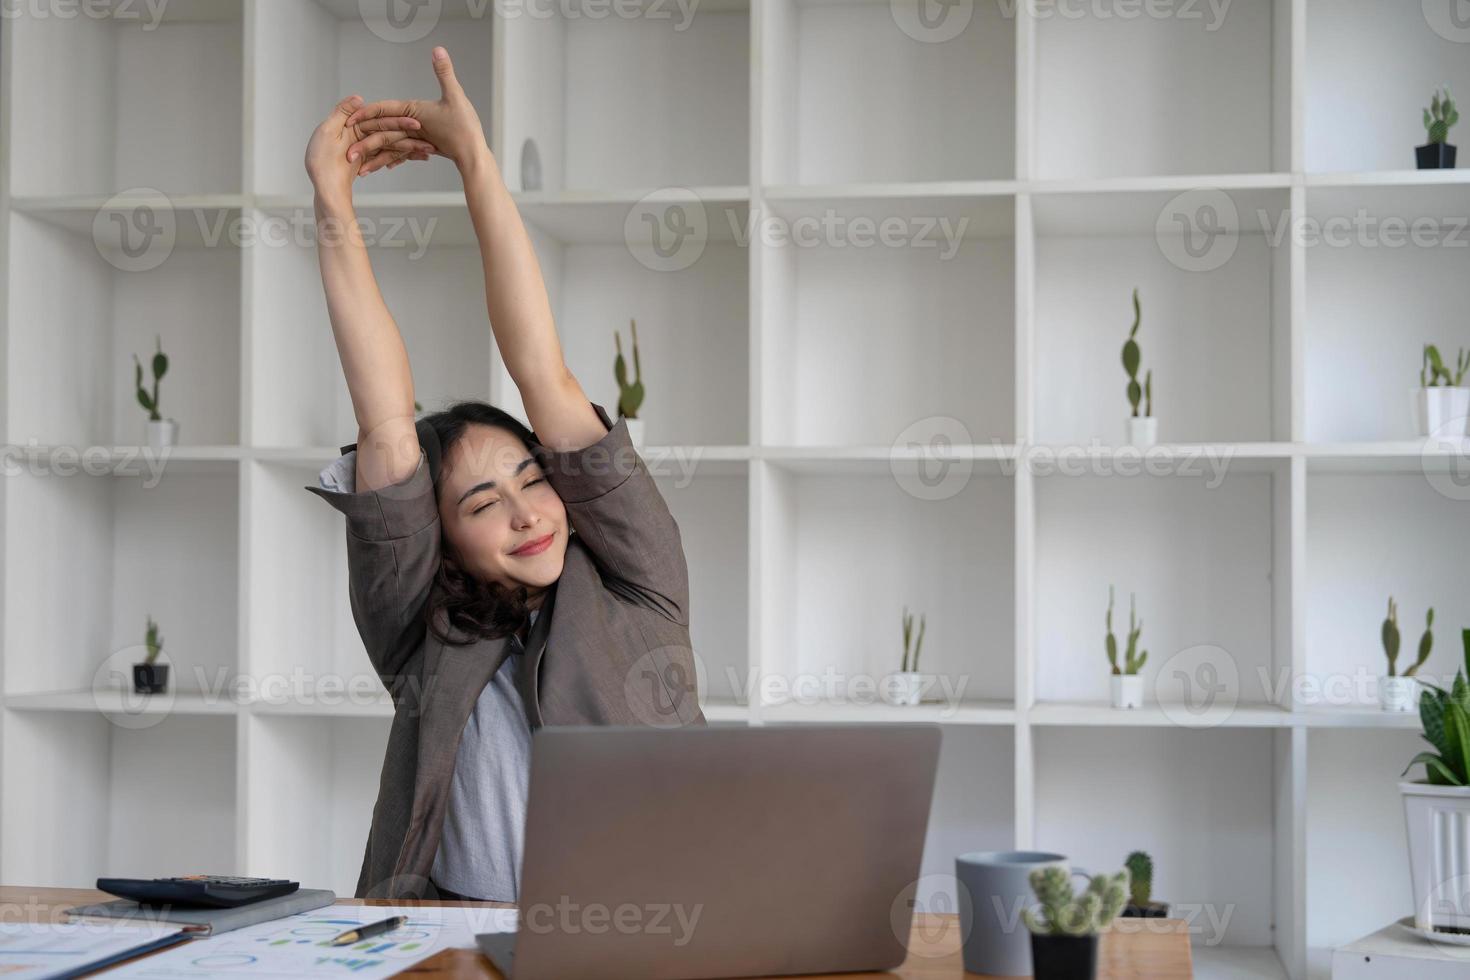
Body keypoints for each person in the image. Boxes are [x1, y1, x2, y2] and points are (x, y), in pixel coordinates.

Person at [301, 45, 705, 902]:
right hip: (443, 940)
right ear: (436, 536)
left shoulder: (640, 582)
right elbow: (384, 418)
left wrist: (476, 162)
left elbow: (544, 378)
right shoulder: (416, 626)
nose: (528, 513)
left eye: (532, 477)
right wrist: (331, 202)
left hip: (645, 936)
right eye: (483, 502)